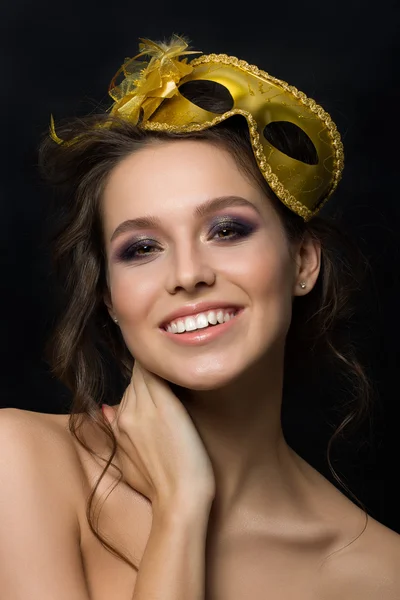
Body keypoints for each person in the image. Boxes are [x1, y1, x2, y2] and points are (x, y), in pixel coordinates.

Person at [1, 34, 399, 600]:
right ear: (111, 298)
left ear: (303, 263)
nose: (187, 274)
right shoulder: (21, 465)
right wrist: (182, 509)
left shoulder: (382, 575)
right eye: (141, 248)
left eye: (228, 230)